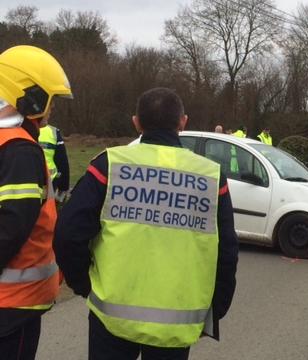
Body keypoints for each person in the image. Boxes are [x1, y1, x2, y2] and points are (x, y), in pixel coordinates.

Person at [53, 88, 239, 360]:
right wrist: (215, 309)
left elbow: (68, 235)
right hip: (178, 322)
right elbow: (227, 253)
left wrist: (84, 285)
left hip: (111, 319)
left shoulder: (109, 165)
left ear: (136, 123)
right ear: (183, 122)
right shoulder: (211, 176)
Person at [0, 45, 72, 360]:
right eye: (49, 100)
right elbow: (11, 226)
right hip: (15, 302)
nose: (51, 109)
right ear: (29, 97)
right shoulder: (20, 148)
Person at [38, 123, 70, 201]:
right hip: (48, 184)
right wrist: (63, 187)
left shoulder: (17, 129)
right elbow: (62, 162)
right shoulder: (53, 132)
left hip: (21, 184)